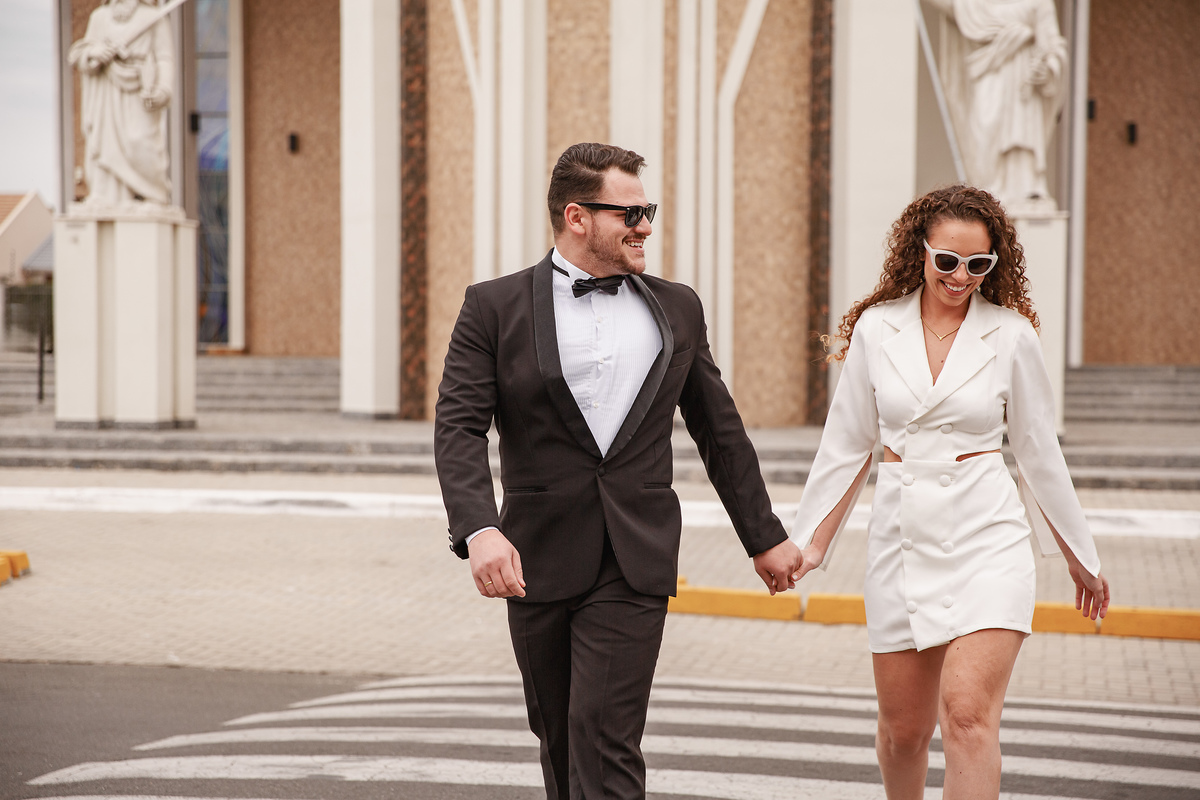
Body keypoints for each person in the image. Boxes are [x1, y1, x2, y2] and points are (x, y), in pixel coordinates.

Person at [435, 142, 800, 800]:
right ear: (577, 217)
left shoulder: (677, 308)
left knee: (604, 736)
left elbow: (719, 430)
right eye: (630, 214)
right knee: (559, 741)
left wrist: (763, 535)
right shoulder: (492, 306)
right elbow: (459, 425)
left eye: (647, 211)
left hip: (635, 554)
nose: (645, 227)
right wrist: (479, 528)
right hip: (536, 557)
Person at [789, 185, 1109, 799]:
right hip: (901, 541)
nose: (961, 276)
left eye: (978, 264)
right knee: (904, 733)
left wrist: (1080, 556)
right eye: (948, 260)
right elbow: (848, 444)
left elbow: (1038, 450)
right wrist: (810, 544)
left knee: (966, 716)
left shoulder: (1011, 335)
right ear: (921, 251)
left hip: (988, 536)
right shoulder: (878, 329)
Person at [931, 0, 1068, 211]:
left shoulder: (1039, 4)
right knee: (985, 135)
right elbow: (950, 5)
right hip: (989, 77)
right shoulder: (976, 3)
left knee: (1022, 139)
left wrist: (1048, 69)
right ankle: (985, 199)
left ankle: (1024, 193)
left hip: (1023, 86)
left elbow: (1053, 47)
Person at [68, 0, 174, 206]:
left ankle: (153, 195)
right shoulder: (99, 17)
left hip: (140, 89)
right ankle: (106, 195)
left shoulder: (153, 17)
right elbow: (82, 54)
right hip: (106, 94)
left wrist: (163, 88)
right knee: (105, 142)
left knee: (140, 140)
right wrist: (95, 52)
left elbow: (164, 58)